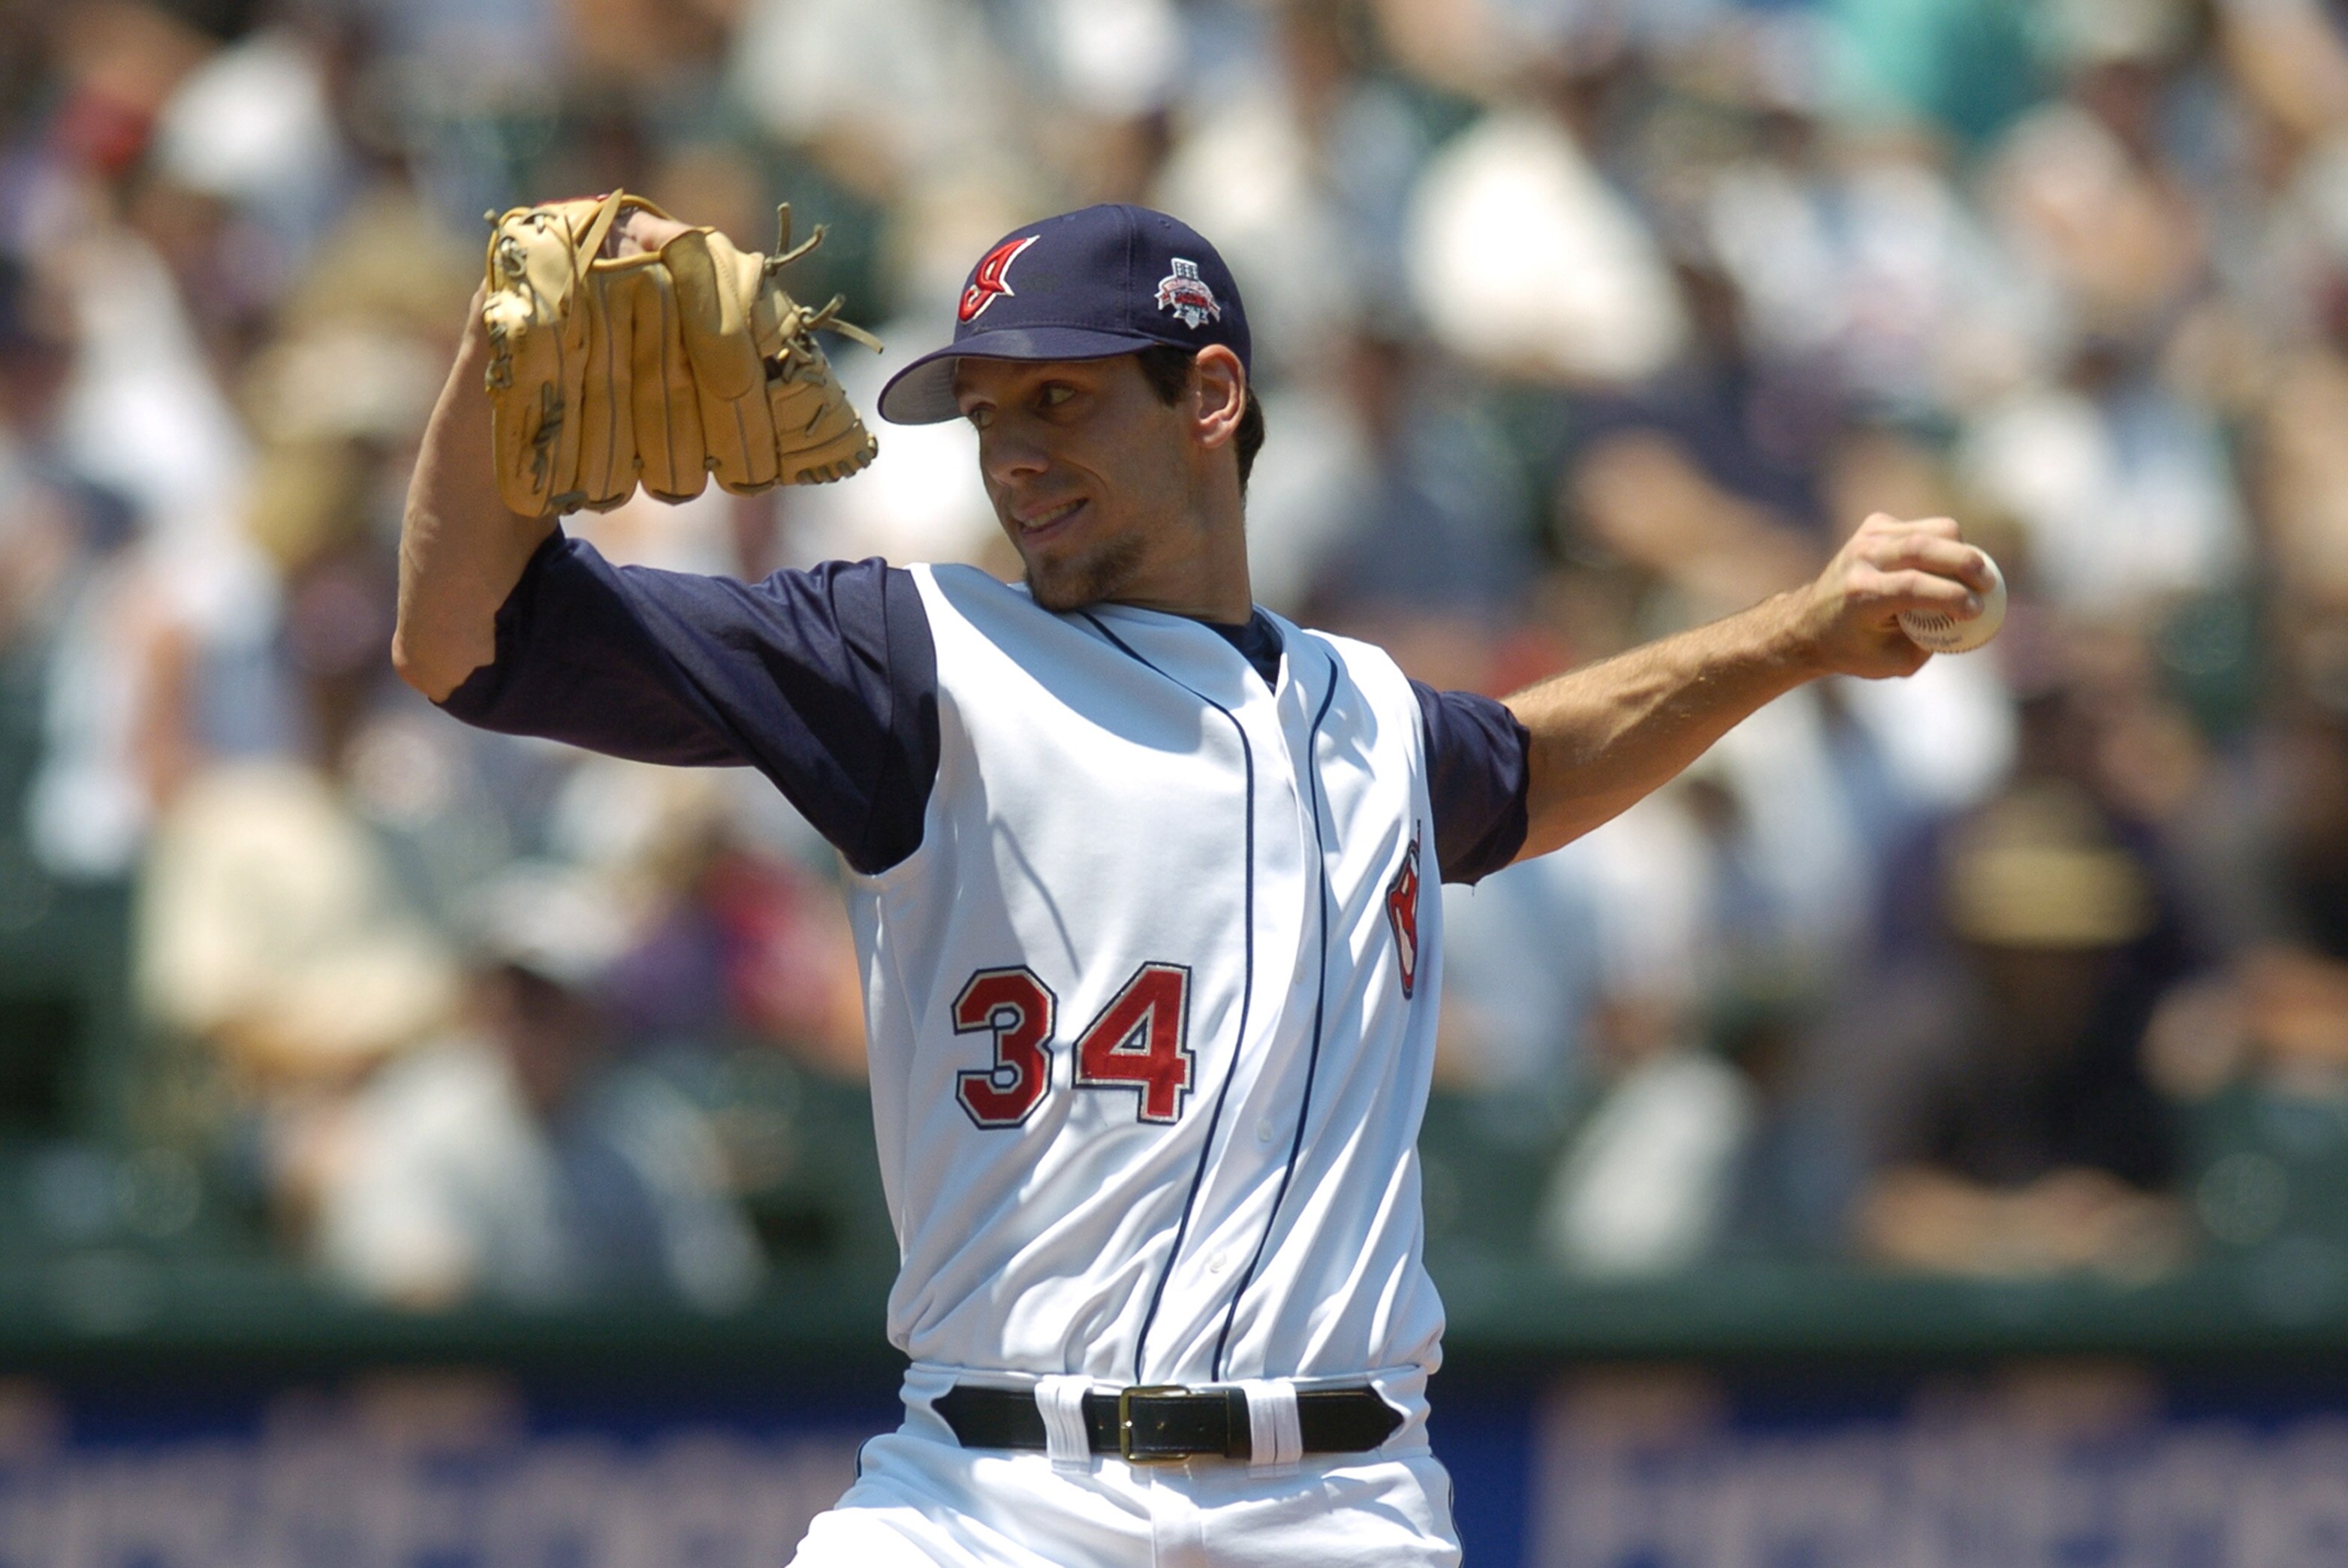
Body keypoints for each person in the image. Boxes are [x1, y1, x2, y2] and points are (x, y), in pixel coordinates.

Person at [393, 202, 1993, 1566]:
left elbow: (1523, 767)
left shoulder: (1368, 714)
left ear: (1208, 395)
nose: (1011, 455)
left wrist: (1791, 635)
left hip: (1338, 1502)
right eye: (991, 414)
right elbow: (461, 641)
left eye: (1062, 404)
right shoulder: (912, 662)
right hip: (992, 1497)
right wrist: (495, 367)